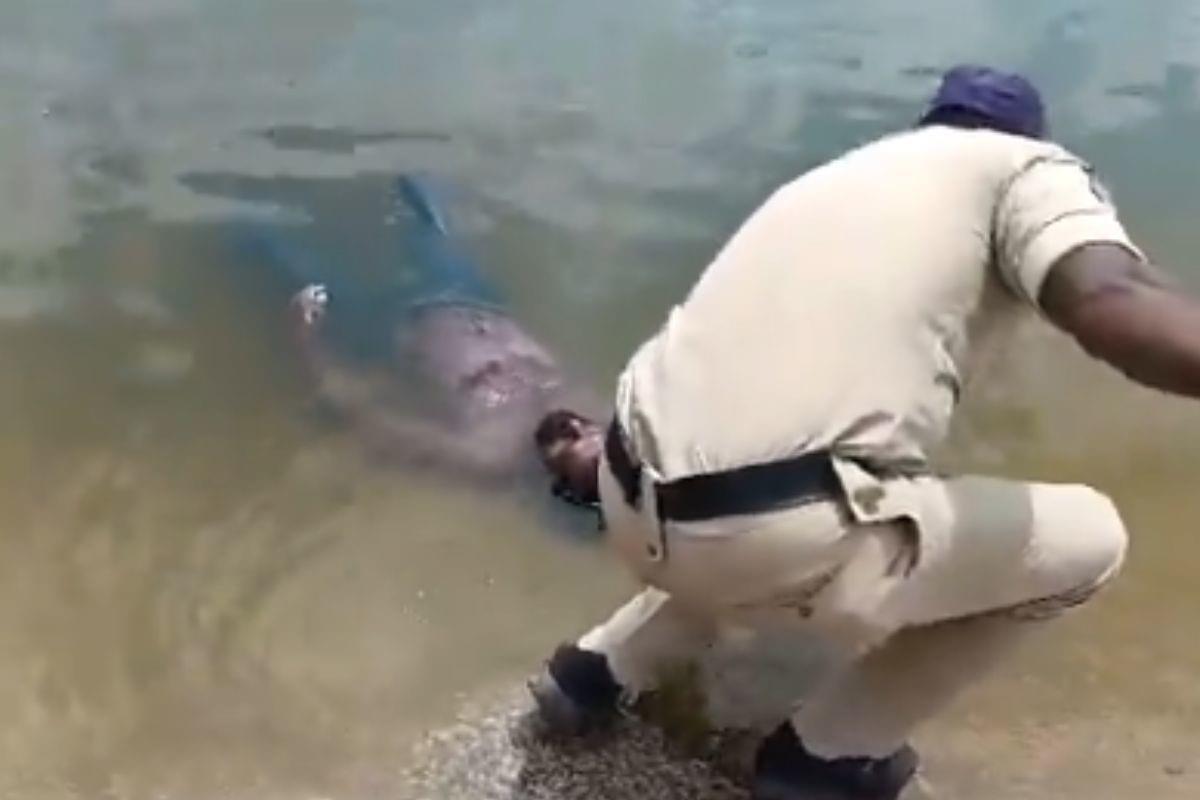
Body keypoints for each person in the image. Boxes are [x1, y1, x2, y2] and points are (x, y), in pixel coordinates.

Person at [528, 65, 1193, 800]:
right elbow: (1111, 295)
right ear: (1027, 138)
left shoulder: (841, 178)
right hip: (762, 536)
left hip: (625, 492)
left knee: (753, 476)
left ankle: (596, 670)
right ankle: (829, 755)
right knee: (1092, 539)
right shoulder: (1024, 171)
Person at [288, 175, 596, 482]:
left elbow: (365, 420)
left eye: (573, 444)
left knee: (280, 252)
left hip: (390, 322)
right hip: (472, 296)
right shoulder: (608, 414)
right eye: (593, 434)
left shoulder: (485, 452)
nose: (577, 428)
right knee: (423, 208)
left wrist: (310, 346)